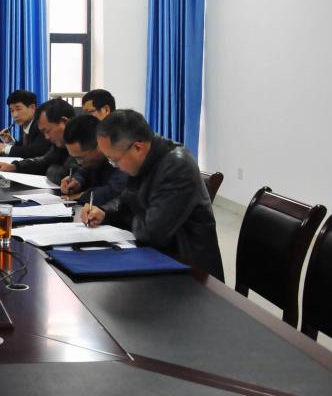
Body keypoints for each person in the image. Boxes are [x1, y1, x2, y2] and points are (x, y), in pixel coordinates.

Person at [81, 109, 224, 280]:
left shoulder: (178, 166)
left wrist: (131, 216)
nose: (115, 166)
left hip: (190, 272)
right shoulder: (145, 160)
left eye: (114, 160)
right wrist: (104, 212)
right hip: (159, 258)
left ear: (138, 148)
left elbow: (151, 233)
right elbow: (127, 201)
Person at [53, 114, 127, 205]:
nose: (78, 162)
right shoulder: (93, 161)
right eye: (74, 157)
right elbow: (84, 171)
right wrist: (77, 181)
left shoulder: (122, 157)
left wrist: (81, 196)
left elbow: (114, 190)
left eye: (81, 157)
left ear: (99, 144)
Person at [0, 99, 76, 175]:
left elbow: (64, 174)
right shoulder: (59, 145)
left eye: (48, 131)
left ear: (64, 122)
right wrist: (14, 167)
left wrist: (49, 169)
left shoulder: (80, 142)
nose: (47, 137)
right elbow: (44, 161)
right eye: (12, 111)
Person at [0, 89, 51, 159]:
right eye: (12, 111)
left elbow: (36, 151)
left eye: (18, 109)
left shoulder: (41, 124)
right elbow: (25, 148)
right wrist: (10, 141)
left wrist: (6, 148)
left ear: (32, 107)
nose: (15, 115)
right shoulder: (27, 124)